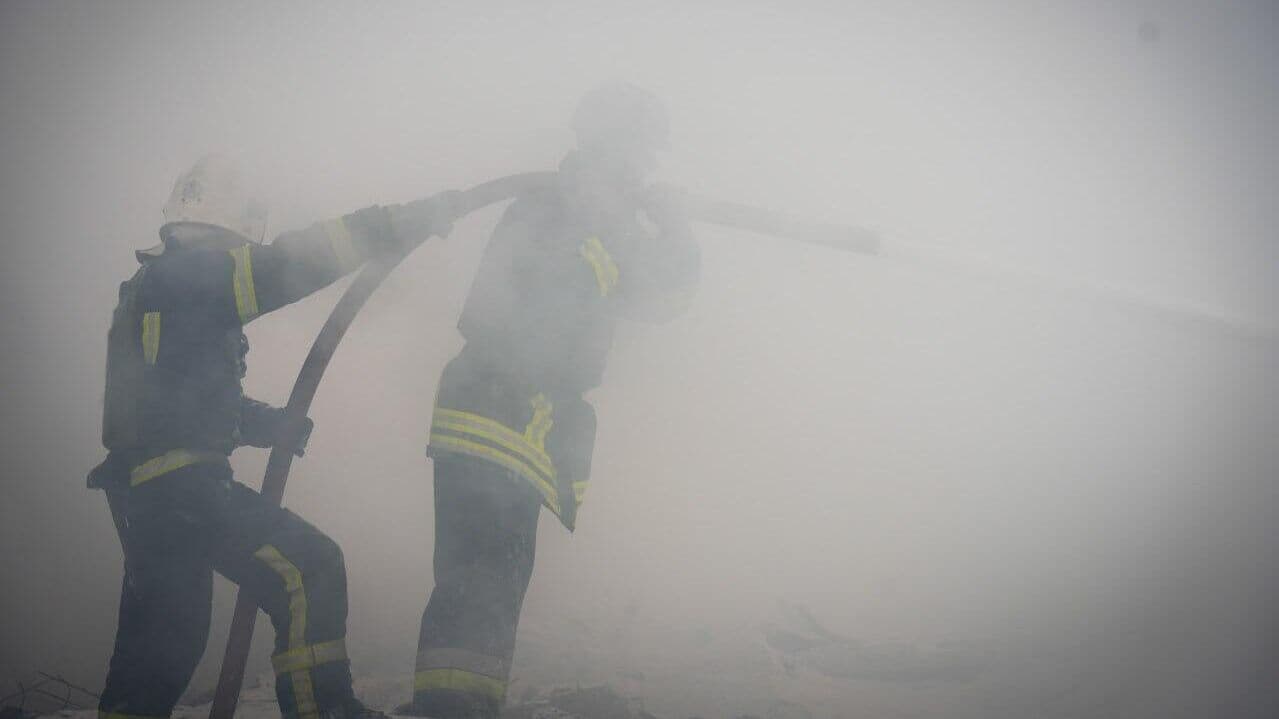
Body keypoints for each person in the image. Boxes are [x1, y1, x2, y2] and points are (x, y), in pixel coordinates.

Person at [89, 155, 453, 719]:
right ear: (233, 227)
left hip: (149, 493)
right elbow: (288, 264)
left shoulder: (161, 284)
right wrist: (389, 224)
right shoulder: (195, 275)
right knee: (310, 571)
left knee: (161, 649)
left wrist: (264, 424)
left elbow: (176, 398)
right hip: (179, 490)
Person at [407, 84, 701, 718]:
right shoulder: (590, 212)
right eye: (644, 151)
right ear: (616, 145)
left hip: (486, 410)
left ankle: (448, 706)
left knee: (472, 584)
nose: (647, 167)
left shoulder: (557, 204)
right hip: (508, 416)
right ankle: (456, 711)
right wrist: (675, 225)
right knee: (487, 585)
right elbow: (663, 294)